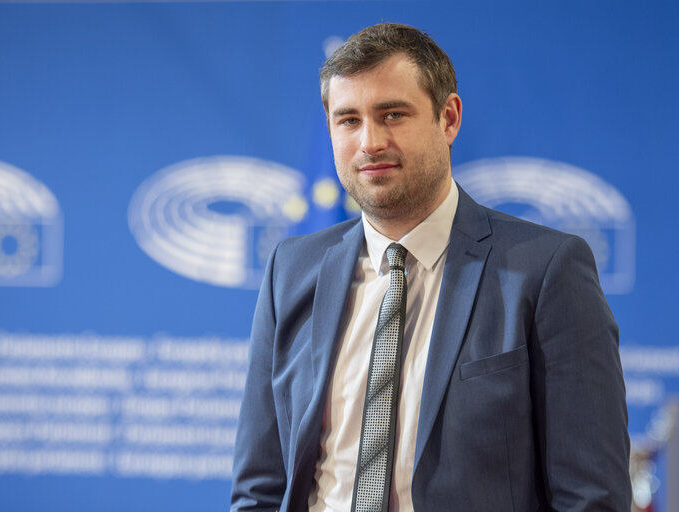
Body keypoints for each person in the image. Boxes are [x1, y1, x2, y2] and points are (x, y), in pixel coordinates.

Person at [231, 22, 630, 511]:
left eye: (392, 114)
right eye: (348, 120)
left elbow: (592, 496)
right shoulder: (290, 270)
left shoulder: (546, 270)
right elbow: (259, 488)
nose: (370, 142)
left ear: (449, 118)